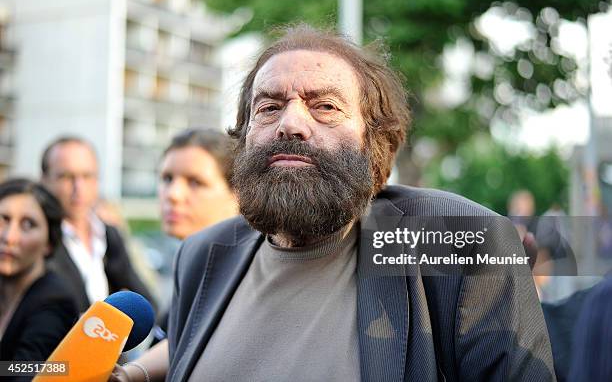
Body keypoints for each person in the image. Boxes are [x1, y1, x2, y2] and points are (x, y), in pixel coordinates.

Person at [165, 25, 555, 381]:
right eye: (268, 107)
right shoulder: (202, 257)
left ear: (374, 145)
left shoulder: (463, 242)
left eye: (325, 106)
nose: (291, 123)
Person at [110, 128, 238, 382]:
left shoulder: (243, 277)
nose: (173, 194)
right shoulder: (190, 267)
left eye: (195, 182)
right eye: (167, 179)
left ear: (238, 194)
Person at [41, 136, 154, 313]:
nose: (78, 188)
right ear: (45, 180)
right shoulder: (40, 240)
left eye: (87, 176)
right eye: (66, 177)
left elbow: (145, 301)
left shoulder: (110, 233)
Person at [0, 178, 79, 372]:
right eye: (3, 220)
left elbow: (26, 370)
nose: (9, 237)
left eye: (28, 224)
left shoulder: (55, 301)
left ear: (49, 242)